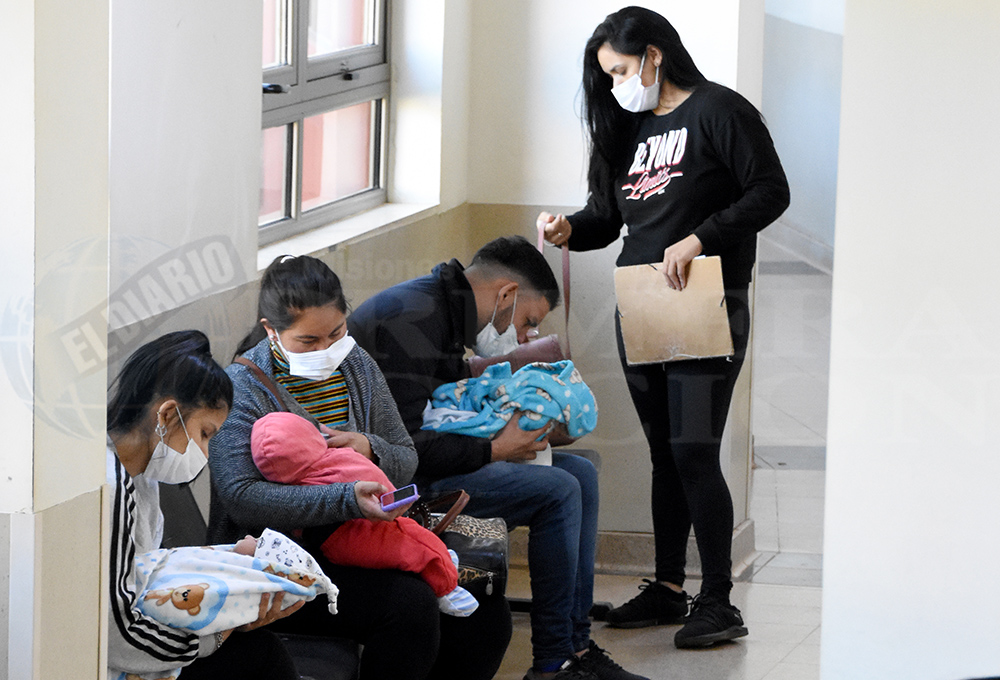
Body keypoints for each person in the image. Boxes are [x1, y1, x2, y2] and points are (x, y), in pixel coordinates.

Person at [537, 6, 790, 649]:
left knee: (694, 450)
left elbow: (770, 191)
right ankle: (670, 588)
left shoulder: (719, 111)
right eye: (607, 75)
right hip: (642, 303)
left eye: (622, 69)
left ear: (653, 54)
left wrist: (701, 237)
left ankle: (719, 601)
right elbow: (605, 219)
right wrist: (569, 228)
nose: (615, 84)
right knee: (665, 454)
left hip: (708, 301)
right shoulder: (623, 127)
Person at [349, 235, 647, 680]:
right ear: (506, 294)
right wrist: (496, 448)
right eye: (529, 322)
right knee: (559, 490)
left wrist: (533, 429)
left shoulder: (443, 312)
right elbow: (403, 451)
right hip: (393, 487)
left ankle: (577, 646)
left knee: (581, 472)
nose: (525, 337)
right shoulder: (413, 319)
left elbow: (450, 412)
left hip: (432, 460)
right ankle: (553, 663)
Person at [206, 254, 512, 680]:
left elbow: (406, 456)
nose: (326, 350)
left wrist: (370, 448)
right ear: (271, 330)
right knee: (409, 607)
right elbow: (241, 498)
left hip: (366, 534)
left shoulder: (355, 365)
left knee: (484, 613)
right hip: (280, 559)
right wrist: (346, 498)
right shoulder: (242, 389)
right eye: (308, 341)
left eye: (336, 332)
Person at [106, 330, 300, 680]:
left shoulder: (142, 480)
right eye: (205, 434)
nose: (206, 453)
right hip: (122, 656)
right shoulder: (111, 487)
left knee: (261, 648)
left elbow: (151, 571)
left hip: (141, 641)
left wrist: (230, 561)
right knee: (262, 656)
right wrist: (216, 636)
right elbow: (118, 633)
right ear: (167, 415)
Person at [250, 410, 478, 616]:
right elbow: (381, 484)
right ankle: (448, 588)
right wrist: (380, 494)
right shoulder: (338, 458)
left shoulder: (287, 483)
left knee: (413, 547)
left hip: (322, 542)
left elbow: (407, 455)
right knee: (416, 546)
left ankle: (443, 561)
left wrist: (371, 446)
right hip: (357, 532)